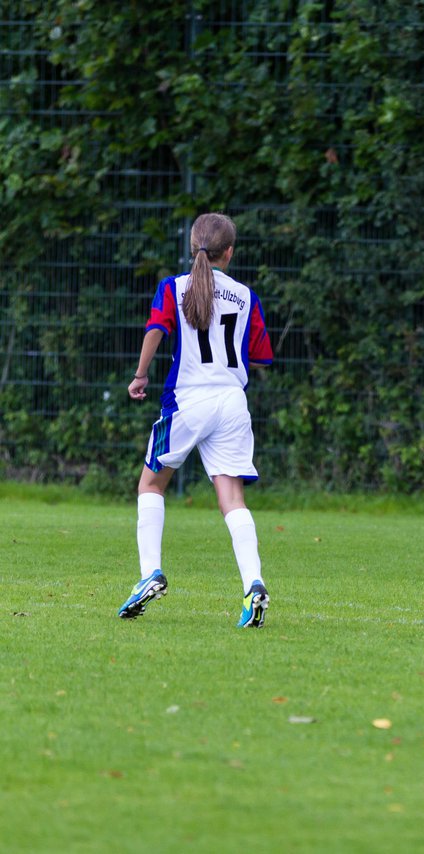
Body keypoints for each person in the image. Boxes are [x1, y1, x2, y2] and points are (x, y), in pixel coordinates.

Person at [117, 212, 275, 628]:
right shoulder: (246, 296)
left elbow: (156, 328)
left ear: (193, 247)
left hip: (188, 401)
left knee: (150, 483)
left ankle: (150, 571)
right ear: (230, 252)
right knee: (232, 499)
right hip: (231, 403)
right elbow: (260, 356)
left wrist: (140, 374)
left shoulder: (174, 287)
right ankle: (253, 584)